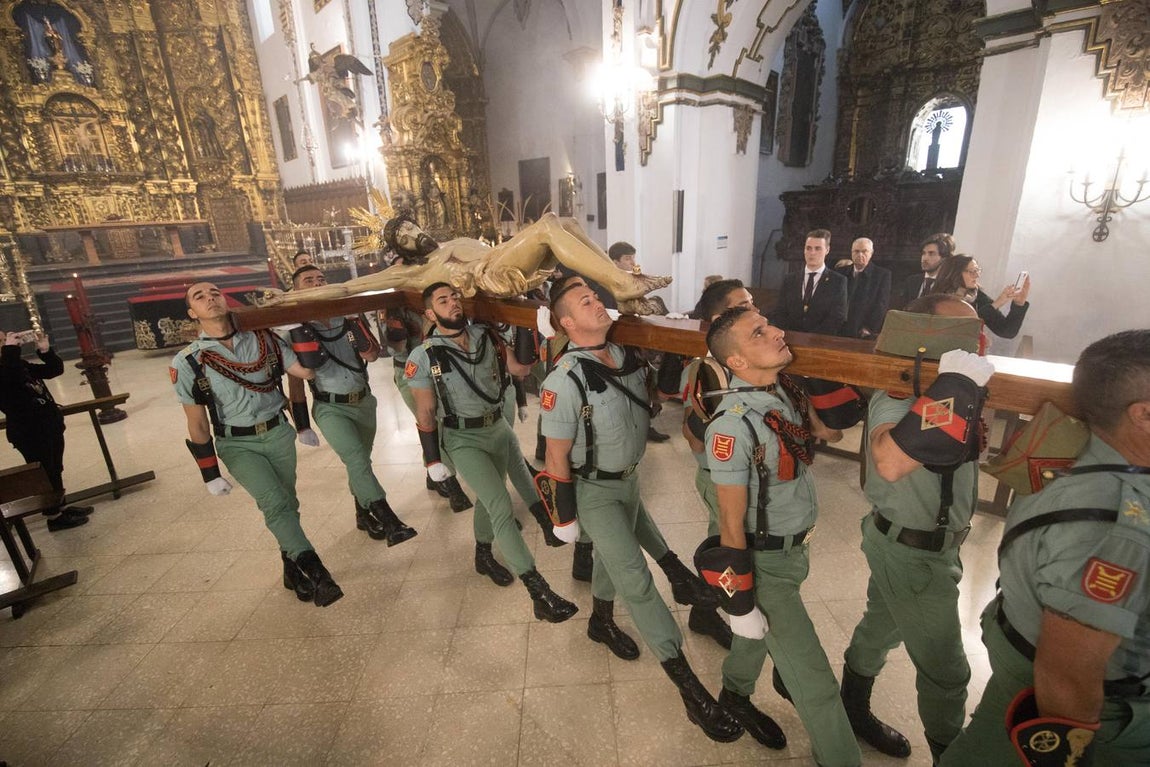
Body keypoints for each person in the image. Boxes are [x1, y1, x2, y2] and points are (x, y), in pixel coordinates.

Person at [538, 281, 742, 743]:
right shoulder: (564, 379)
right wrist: (564, 519)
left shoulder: (626, 356)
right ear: (567, 324)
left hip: (630, 480)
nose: (596, 302)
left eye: (596, 296)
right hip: (593, 493)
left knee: (624, 549)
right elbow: (555, 459)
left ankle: (601, 621)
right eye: (585, 302)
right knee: (638, 583)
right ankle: (690, 690)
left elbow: (666, 391)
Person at [941, 329, 1150, 767]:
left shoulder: (1076, 453)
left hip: (1019, 661)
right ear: (1143, 415)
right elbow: (1069, 679)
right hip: (1102, 715)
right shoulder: (1119, 527)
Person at [699, 305, 862, 766]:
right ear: (737, 363)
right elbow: (729, 524)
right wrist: (741, 601)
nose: (777, 331)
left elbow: (828, 432)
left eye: (770, 324)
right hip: (764, 564)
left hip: (795, 552)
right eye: (760, 333)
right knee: (815, 684)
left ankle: (734, 694)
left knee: (755, 637)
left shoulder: (782, 393)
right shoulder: (733, 425)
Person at [842, 293, 994, 764]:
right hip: (913, 553)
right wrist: (953, 385)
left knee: (880, 626)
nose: (976, 343)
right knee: (946, 671)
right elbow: (888, 460)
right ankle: (950, 755)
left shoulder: (957, 389)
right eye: (961, 335)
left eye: (976, 333)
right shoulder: (901, 391)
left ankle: (851, 708)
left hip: (918, 545)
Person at [407, 282, 577, 621]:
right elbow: (425, 412)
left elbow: (521, 370)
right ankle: (538, 590)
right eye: (443, 300)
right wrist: (433, 460)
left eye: (455, 296)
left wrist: (532, 329)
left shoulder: (486, 336)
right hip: (462, 438)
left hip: (498, 427)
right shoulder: (423, 356)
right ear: (430, 313)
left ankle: (483, 555)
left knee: (493, 496)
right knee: (499, 502)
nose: (453, 302)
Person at [172, 282, 343, 607]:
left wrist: (295, 330)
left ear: (224, 300)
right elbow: (196, 422)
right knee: (275, 504)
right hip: (237, 445)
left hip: (278, 433)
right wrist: (210, 474)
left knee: (287, 504)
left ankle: (291, 570)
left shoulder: (265, 339)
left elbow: (306, 372)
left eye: (214, 292)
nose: (210, 298)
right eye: (199, 297)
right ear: (192, 313)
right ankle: (317, 572)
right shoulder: (189, 361)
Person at [270, 211, 672, 316]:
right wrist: (284, 299)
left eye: (412, 227)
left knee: (562, 222)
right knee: (549, 226)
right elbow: (344, 289)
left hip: (498, 261)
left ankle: (623, 286)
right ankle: (622, 285)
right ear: (403, 249)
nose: (415, 234)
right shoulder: (410, 271)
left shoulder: (453, 241)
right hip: (489, 277)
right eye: (406, 236)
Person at [285, 265, 417, 546]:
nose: (317, 282)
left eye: (321, 279)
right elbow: (297, 380)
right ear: (296, 289)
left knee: (361, 463)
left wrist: (353, 322)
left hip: (363, 401)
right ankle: (389, 519)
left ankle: (361, 512)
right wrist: (302, 425)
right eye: (308, 280)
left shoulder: (348, 316)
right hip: (330, 406)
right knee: (356, 459)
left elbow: (370, 355)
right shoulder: (293, 328)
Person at [0, 328, 93, 531]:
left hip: (48, 425)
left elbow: (53, 371)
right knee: (45, 473)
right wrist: (9, 352)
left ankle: (61, 506)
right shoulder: (7, 367)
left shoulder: (16, 363)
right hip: (29, 432)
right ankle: (54, 517)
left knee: (55, 468)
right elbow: (10, 376)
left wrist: (45, 350)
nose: (6, 343)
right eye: (2, 342)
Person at [930, 254, 1030, 339]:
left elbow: (1007, 331)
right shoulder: (938, 297)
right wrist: (997, 303)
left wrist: (1018, 304)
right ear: (955, 273)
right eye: (972, 271)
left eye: (977, 270)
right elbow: (964, 325)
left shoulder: (978, 296)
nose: (977, 275)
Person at [771, 229, 848, 336]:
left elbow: (837, 317)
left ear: (827, 250)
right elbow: (780, 312)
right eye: (808, 248)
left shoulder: (838, 281)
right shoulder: (790, 280)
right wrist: (792, 335)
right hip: (790, 339)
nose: (812, 253)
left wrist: (812, 338)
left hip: (820, 341)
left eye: (818, 249)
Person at [835, 237, 891, 339]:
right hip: (838, 328)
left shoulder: (882, 275)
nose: (860, 254)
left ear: (871, 253)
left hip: (862, 331)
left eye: (864, 251)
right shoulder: (840, 272)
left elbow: (881, 305)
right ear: (851, 252)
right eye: (856, 251)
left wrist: (869, 328)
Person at [903, 233, 955, 306]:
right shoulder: (912, 281)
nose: (924, 258)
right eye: (923, 253)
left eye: (931, 254)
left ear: (944, 258)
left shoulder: (950, 285)